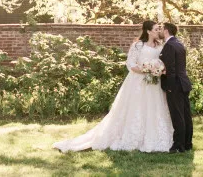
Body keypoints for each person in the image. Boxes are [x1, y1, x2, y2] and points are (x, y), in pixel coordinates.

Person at [52, 21, 173, 153]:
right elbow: (130, 63)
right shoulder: (138, 45)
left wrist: (157, 69)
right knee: (137, 108)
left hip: (153, 83)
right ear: (148, 31)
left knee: (154, 108)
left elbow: (162, 62)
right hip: (138, 82)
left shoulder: (160, 46)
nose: (158, 31)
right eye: (156, 29)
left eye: (159, 29)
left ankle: (154, 137)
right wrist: (145, 70)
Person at [159, 22, 193, 153]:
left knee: (177, 115)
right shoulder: (178, 44)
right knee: (185, 115)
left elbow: (171, 70)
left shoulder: (169, 45)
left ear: (166, 30)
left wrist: (169, 86)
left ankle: (178, 145)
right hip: (184, 83)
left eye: (161, 29)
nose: (160, 31)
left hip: (175, 85)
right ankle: (187, 143)